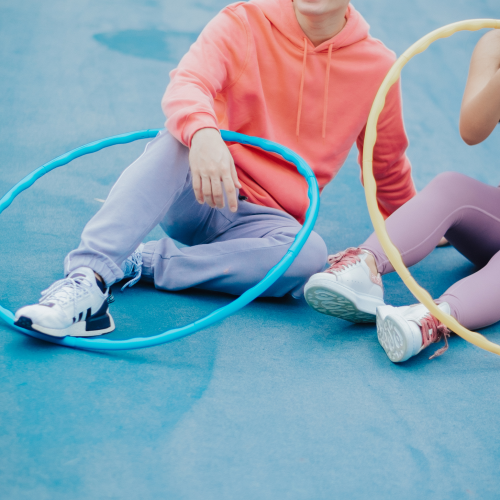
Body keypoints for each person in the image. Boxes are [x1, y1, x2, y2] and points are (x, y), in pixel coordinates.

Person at [14, 0, 416, 338]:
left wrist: (415, 220)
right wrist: (205, 135)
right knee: (179, 138)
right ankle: (89, 280)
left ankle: (143, 262)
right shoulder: (243, 21)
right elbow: (188, 82)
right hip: (205, 190)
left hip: (267, 224)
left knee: (308, 255)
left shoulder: (377, 66)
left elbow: (387, 160)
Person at [305, 28, 500, 363]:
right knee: (450, 185)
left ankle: (427, 320)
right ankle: (363, 270)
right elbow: (472, 129)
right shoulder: (495, 44)